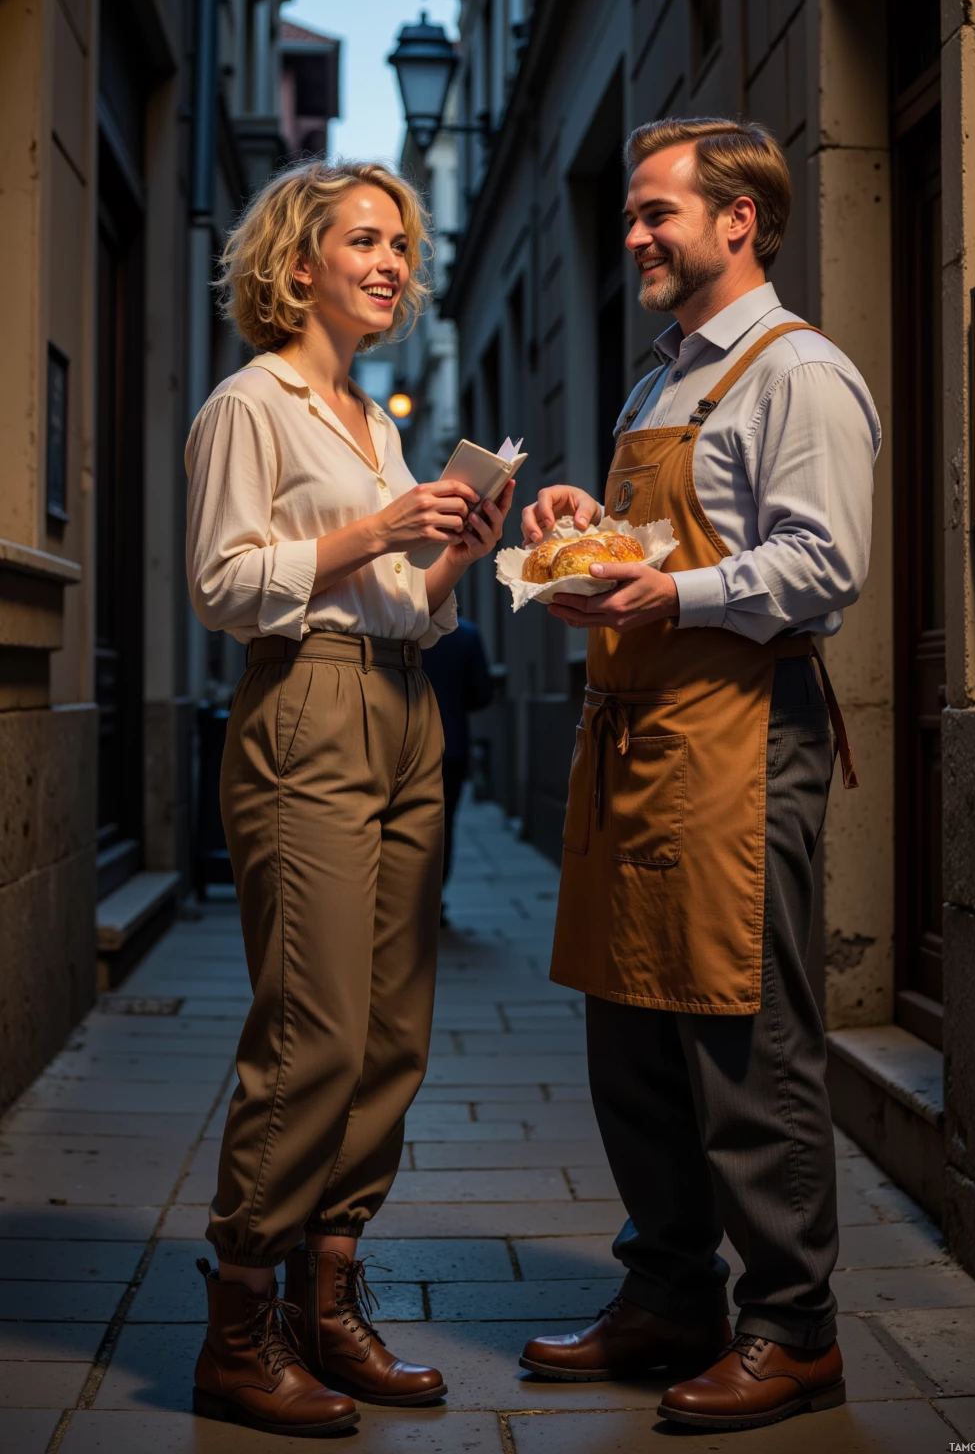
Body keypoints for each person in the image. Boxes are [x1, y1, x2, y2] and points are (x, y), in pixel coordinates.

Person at [517, 118, 879, 1433]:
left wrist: (669, 588)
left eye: (658, 212)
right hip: (640, 740)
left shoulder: (801, 376)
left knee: (744, 1041)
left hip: (739, 738)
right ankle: (670, 1292)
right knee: (634, 1036)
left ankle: (793, 1328)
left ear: (742, 221)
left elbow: (822, 567)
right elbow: (657, 550)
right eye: (630, 214)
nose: (634, 235)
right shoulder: (658, 384)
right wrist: (582, 528)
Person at [184, 160, 513, 1438]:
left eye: (399, 244)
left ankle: (330, 1300)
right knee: (311, 1026)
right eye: (364, 240)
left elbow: (396, 605)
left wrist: (442, 565)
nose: (391, 262)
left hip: (399, 701)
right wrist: (375, 534)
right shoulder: (247, 405)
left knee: (391, 1031)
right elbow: (223, 582)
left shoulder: (373, 423)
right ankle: (237, 1320)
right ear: (297, 261)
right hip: (304, 705)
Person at [421, 616, 493, 921]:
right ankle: (432, 904)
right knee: (442, 828)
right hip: (450, 746)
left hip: (399, 743)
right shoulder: (464, 634)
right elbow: (482, 694)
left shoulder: (391, 630)